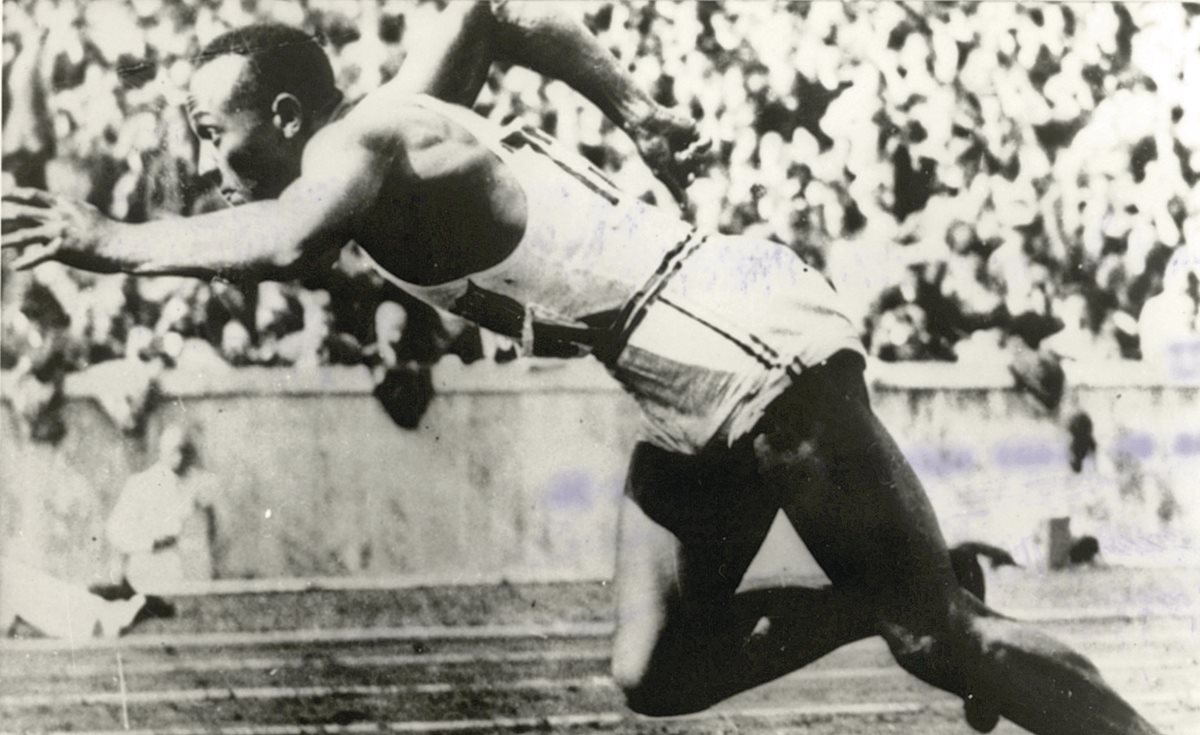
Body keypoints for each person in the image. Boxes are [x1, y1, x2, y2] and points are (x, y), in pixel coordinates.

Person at [1, 4, 1163, 734]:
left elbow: (291, 241)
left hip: (734, 339)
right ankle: (888, 587)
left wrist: (110, 242)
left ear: (289, 112)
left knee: (940, 643)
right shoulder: (404, 116)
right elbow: (497, 13)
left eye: (214, 133)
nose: (207, 165)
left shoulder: (354, 144)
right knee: (655, 670)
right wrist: (635, 107)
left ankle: (981, 639)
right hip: (678, 362)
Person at [105, 424, 218, 592]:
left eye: (185, 450)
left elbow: (216, 530)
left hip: (194, 580)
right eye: (174, 450)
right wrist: (152, 542)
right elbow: (115, 531)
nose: (179, 457)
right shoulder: (141, 484)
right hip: (152, 577)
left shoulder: (202, 484)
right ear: (161, 452)